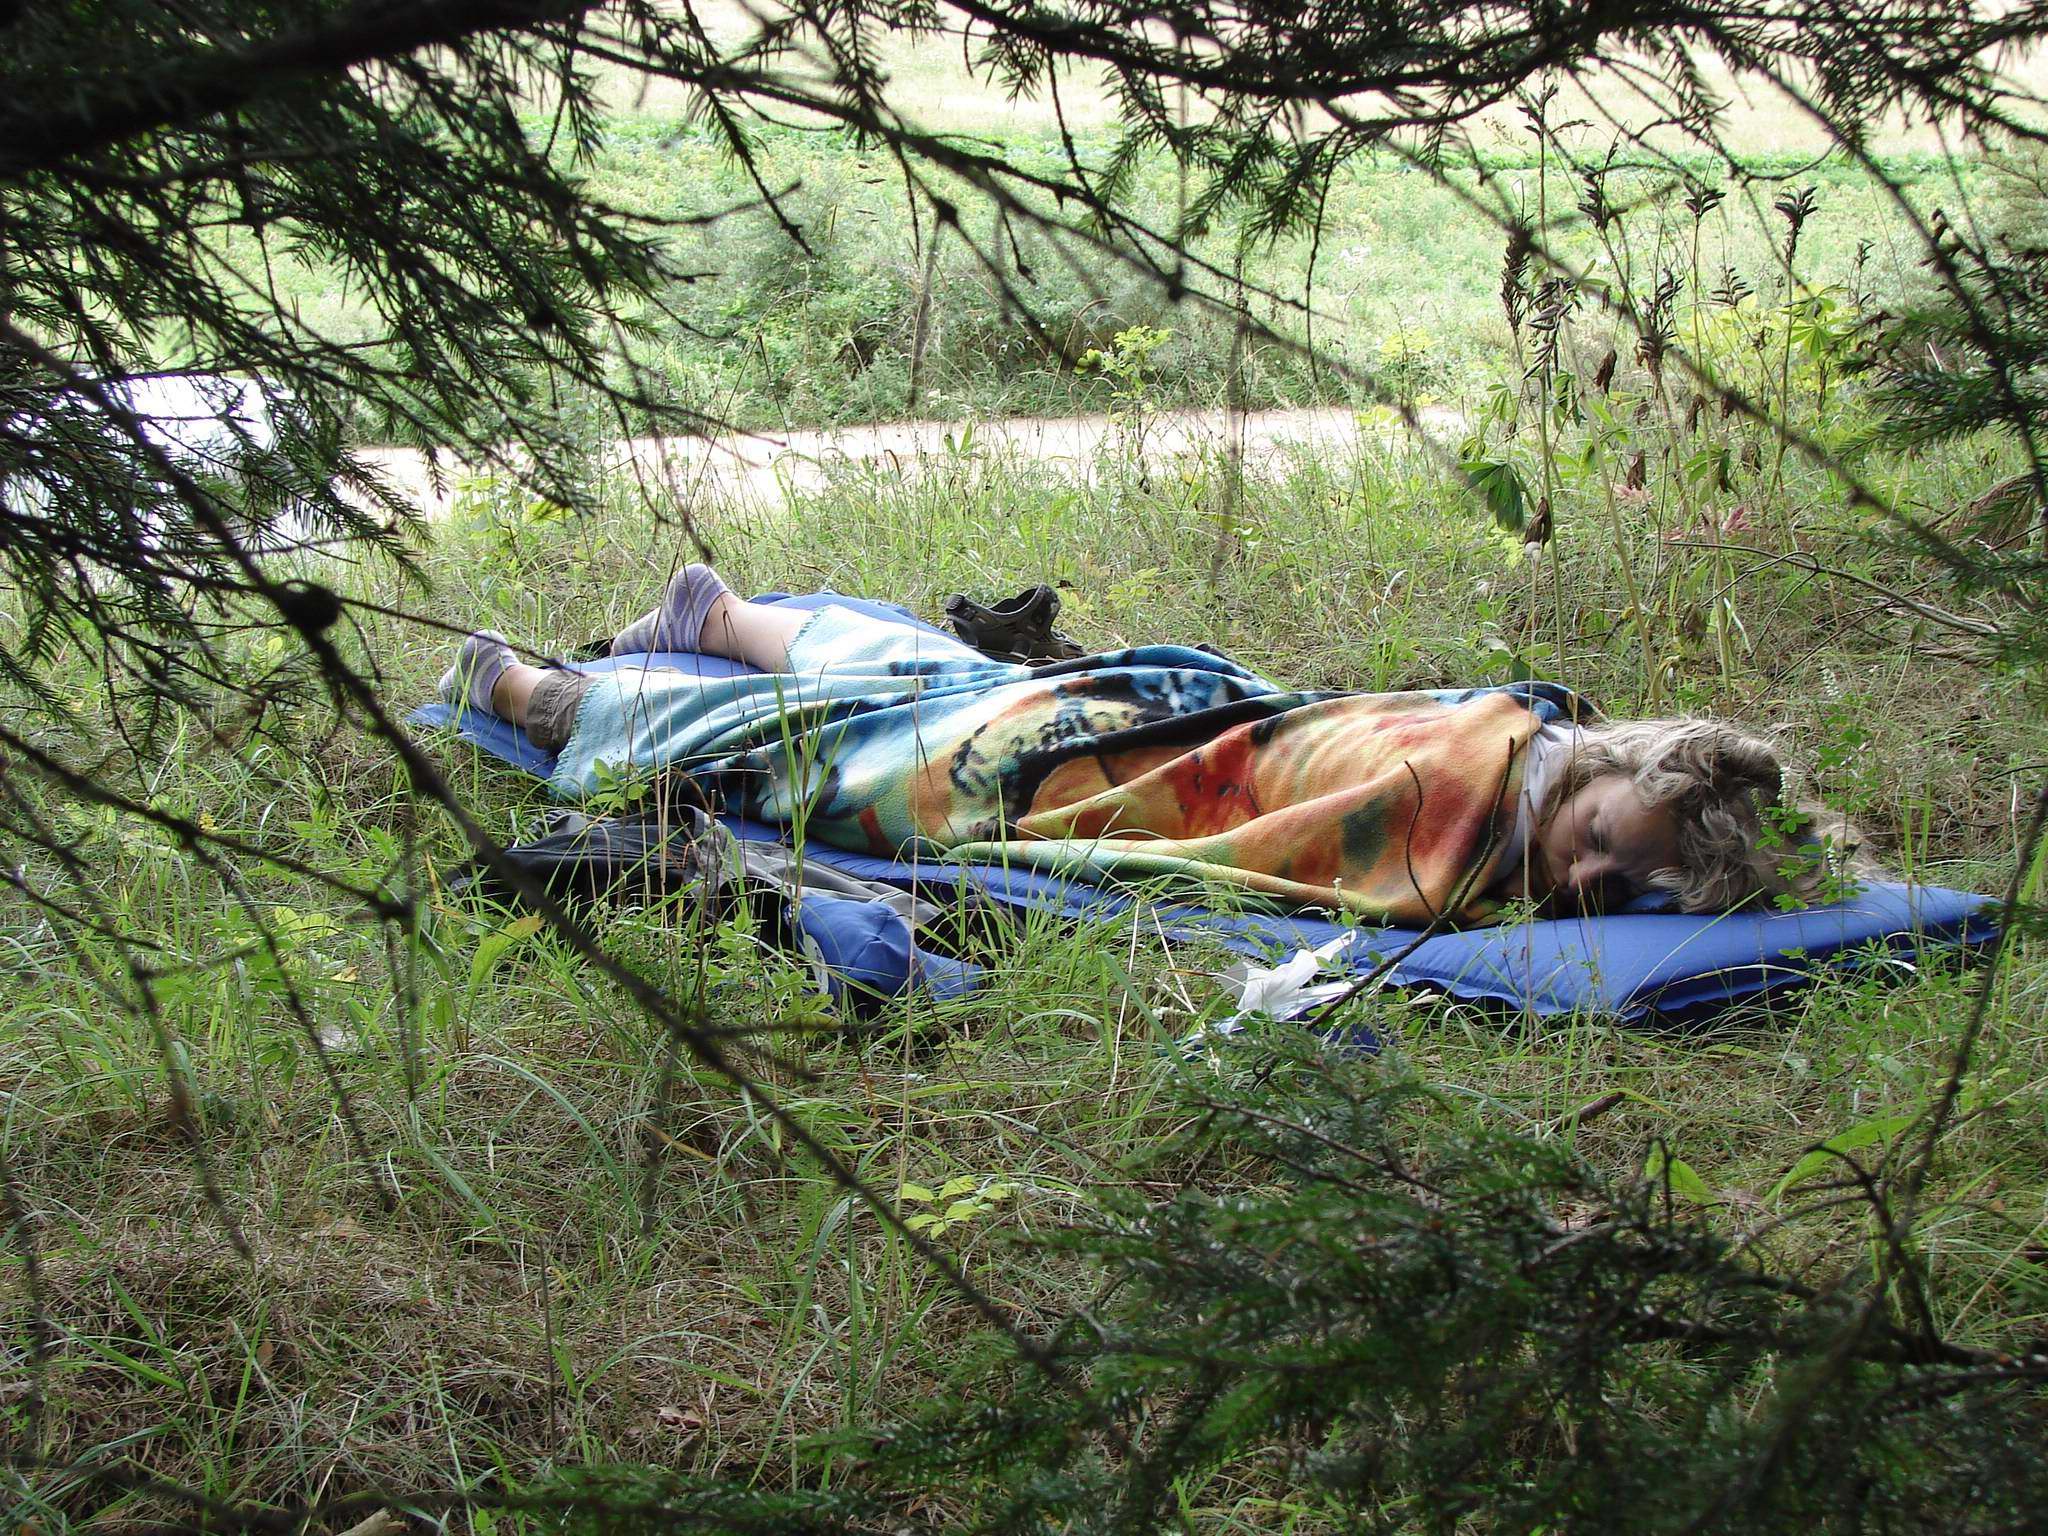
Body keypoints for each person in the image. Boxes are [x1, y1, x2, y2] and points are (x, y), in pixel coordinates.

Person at [441, 566, 1839, 924]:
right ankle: (531, 695)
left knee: (938, 686)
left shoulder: (1529, 747)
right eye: (1595, 842)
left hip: (1176, 717)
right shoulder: (1478, 778)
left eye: (1624, 888)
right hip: (1139, 753)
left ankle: (721, 617)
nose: (1582, 880)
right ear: (1595, 772)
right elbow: (1357, 818)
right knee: (848, 761)